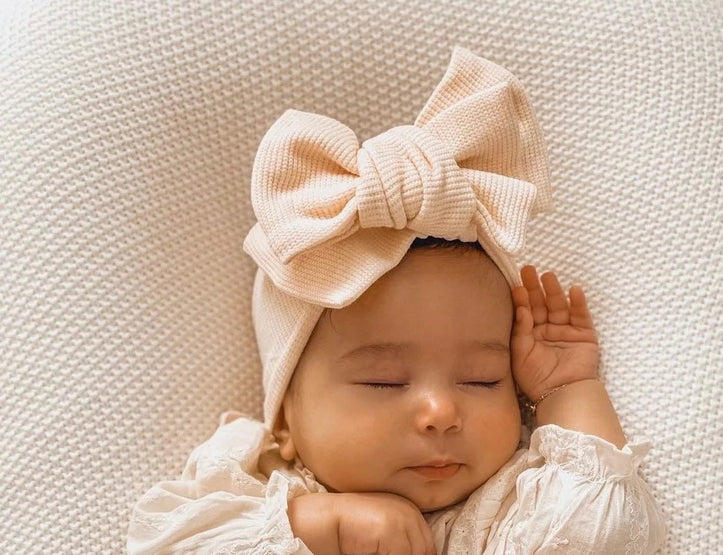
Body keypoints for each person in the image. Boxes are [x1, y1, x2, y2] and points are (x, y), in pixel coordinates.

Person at [126, 46, 666, 554]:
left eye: (483, 379)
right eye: (383, 382)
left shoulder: (508, 501)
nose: (441, 413)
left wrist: (566, 392)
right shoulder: (258, 487)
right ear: (285, 417)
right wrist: (323, 526)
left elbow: (607, 536)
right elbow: (163, 542)